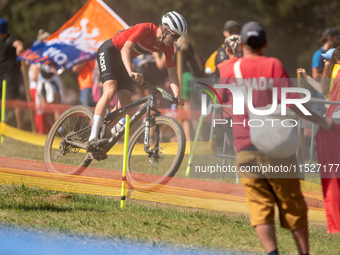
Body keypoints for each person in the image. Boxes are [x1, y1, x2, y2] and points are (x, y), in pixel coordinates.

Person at [217, 21, 336, 255]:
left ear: (240, 44)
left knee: (259, 206)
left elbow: (220, 97)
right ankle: (303, 253)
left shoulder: (230, 69)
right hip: (277, 146)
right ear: (265, 43)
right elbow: (293, 102)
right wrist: (321, 121)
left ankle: (272, 252)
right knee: (292, 203)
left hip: (245, 148)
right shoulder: (273, 65)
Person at [86, 11, 186, 152]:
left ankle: (104, 130)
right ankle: (92, 137)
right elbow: (125, 49)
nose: (175, 40)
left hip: (124, 60)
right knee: (110, 90)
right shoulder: (146, 29)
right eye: (175, 36)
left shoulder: (168, 47)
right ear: (165, 30)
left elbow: (172, 74)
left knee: (125, 103)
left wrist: (177, 95)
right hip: (110, 51)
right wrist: (131, 72)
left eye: (178, 37)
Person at [298, 47, 340, 118]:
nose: (324, 61)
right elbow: (322, 89)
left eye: (327, 59)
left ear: (336, 61)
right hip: (332, 116)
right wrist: (306, 76)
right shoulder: (333, 77)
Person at [0, 17, 24, 129]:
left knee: (15, 100)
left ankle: (20, 127)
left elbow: (18, 43)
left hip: (9, 75)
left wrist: (19, 48)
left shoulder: (9, 39)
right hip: (1, 75)